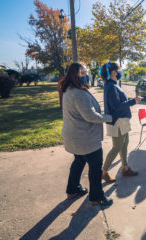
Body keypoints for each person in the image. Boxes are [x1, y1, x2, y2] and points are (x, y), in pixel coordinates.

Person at [59, 62, 113, 206]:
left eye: (86, 71)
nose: (86, 75)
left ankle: (73, 189)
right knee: (95, 168)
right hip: (86, 139)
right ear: (74, 75)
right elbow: (91, 116)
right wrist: (109, 117)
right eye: (82, 72)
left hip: (75, 138)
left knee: (78, 162)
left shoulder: (69, 89)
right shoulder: (78, 93)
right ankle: (97, 197)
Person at [101, 62, 141, 183]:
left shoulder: (112, 84)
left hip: (121, 121)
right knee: (117, 146)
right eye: (118, 71)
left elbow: (119, 101)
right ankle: (103, 172)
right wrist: (133, 101)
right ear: (113, 72)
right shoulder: (111, 86)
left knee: (125, 143)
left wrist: (130, 100)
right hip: (117, 121)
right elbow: (117, 106)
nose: (119, 73)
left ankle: (125, 168)